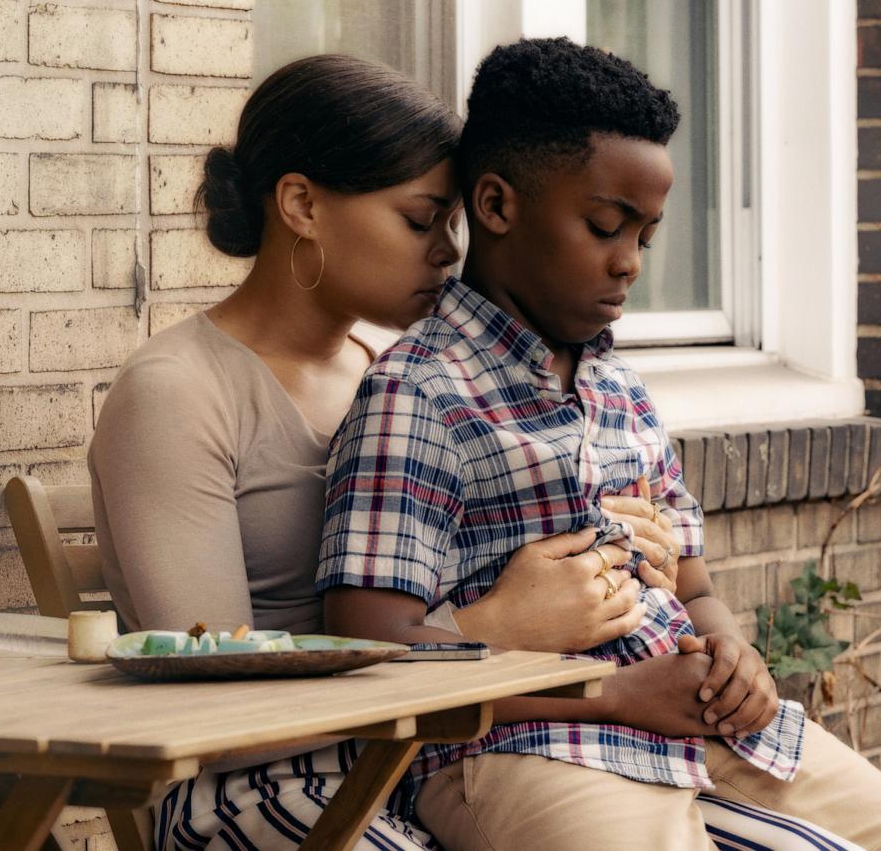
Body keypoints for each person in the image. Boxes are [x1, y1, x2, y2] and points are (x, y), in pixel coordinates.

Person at [317, 37, 881, 851]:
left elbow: (691, 587)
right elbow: (371, 656)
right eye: (603, 227)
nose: (628, 263)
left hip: (700, 726)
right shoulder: (419, 395)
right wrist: (617, 695)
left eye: (647, 237)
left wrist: (733, 653)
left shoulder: (620, 388)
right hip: (522, 750)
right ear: (495, 205)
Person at [87, 53, 679, 851]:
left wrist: (627, 553)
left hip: (431, 756)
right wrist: (491, 625)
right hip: (271, 789)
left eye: (452, 224)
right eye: (418, 219)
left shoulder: (395, 373)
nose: (447, 251)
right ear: (301, 204)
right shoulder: (176, 392)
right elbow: (214, 699)